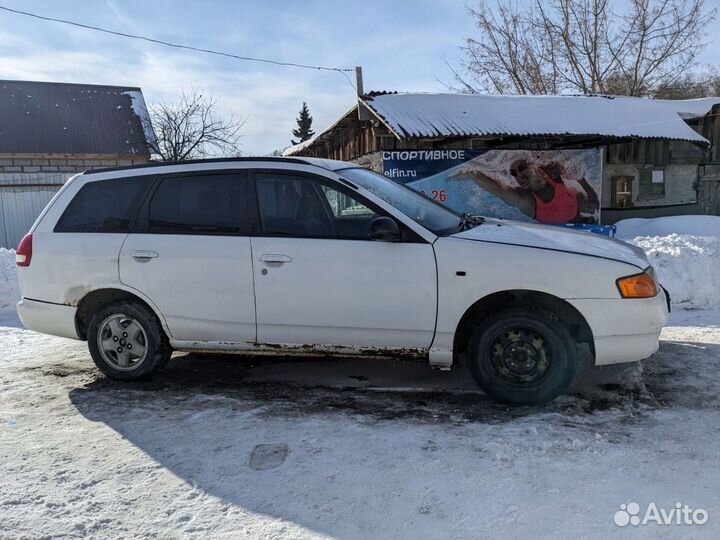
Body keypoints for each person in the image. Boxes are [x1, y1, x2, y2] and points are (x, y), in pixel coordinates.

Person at [448, 158, 600, 224]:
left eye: (522, 168)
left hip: (579, 206)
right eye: (514, 174)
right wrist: (473, 175)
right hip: (564, 228)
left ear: (534, 166)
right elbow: (501, 192)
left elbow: (575, 170)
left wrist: (589, 190)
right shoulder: (526, 201)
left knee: (591, 210)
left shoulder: (551, 170)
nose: (519, 175)